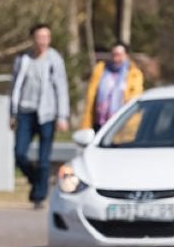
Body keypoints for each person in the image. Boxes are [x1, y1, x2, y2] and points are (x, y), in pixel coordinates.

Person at [9, 24, 70, 209]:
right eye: (39, 37)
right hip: (25, 112)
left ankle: (38, 196)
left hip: (47, 114)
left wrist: (62, 116)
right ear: (33, 39)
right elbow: (14, 87)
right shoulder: (23, 59)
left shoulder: (54, 59)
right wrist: (11, 113)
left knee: (44, 160)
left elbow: (61, 87)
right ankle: (37, 181)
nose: (43, 41)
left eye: (46, 37)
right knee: (19, 153)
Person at [80, 43, 144, 132]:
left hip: (122, 122)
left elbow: (135, 96)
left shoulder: (134, 74)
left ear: (126, 55)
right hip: (100, 120)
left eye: (119, 55)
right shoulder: (100, 70)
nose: (115, 58)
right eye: (113, 54)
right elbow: (91, 96)